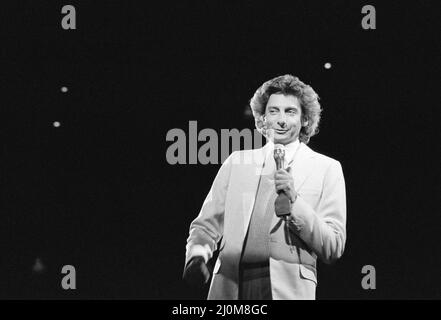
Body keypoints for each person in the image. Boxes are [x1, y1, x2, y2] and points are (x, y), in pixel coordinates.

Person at [183, 74, 347, 300]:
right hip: (232, 285)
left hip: (288, 289)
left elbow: (333, 246)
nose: (281, 120)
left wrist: (294, 201)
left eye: (290, 112)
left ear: (305, 120)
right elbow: (206, 226)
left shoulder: (326, 168)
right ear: (262, 118)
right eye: (273, 111)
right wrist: (197, 256)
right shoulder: (236, 162)